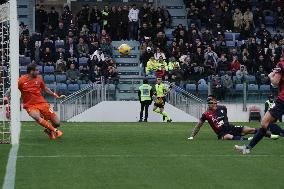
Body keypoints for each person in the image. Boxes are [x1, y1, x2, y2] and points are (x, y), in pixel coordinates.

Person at [235, 60, 284, 154]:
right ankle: (248, 148)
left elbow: (275, 82)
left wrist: (270, 76)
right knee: (265, 126)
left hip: (282, 100)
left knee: (264, 123)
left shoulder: (281, 64)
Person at [188, 96, 279, 141]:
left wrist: (226, 122)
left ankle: (270, 135)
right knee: (228, 137)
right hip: (221, 133)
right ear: (209, 104)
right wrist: (192, 135)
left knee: (250, 129)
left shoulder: (222, 108)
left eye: (215, 103)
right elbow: (199, 125)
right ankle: (246, 139)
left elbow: (225, 117)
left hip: (230, 127)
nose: (215, 104)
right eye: (213, 103)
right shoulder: (205, 114)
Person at [18, 63, 66, 140]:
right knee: (36, 116)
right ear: (31, 71)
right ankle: (55, 131)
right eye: (36, 70)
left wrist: (55, 95)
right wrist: (7, 96)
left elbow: (45, 89)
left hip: (42, 103)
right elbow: (12, 88)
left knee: (57, 123)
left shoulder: (39, 79)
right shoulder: (21, 80)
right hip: (30, 105)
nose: (38, 71)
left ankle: (49, 130)